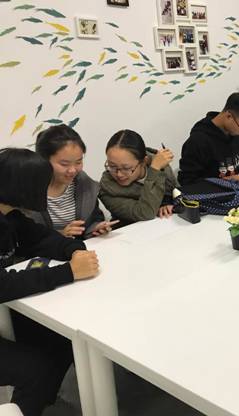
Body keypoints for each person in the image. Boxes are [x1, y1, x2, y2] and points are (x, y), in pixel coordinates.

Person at [0, 148, 99, 416]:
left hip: (7, 311)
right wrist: (68, 272)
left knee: (62, 338)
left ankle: (33, 404)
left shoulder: (10, 215)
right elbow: (3, 285)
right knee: (37, 368)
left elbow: (40, 237)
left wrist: (73, 250)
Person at [27, 124, 114, 240]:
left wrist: (96, 228)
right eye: (64, 164)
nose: (73, 170)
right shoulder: (28, 191)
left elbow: (93, 219)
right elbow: (25, 236)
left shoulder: (83, 184)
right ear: (44, 160)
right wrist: (60, 235)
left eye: (78, 162)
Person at [178, 92, 239, 186]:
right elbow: (188, 182)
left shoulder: (234, 133)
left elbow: (225, 168)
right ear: (229, 116)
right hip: (211, 194)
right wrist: (229, 180)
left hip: (236, 190)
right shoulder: (198, 141)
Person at [99, 129, 177, 226]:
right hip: (131, 230)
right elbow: (145, 213)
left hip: (167, 225)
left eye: (126, 168)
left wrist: (171, 206)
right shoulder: (107, 188)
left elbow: (178, 193)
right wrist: (154, 170)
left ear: (144, 161)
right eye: (112, 166)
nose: (119, 174)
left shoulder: (157, 161)